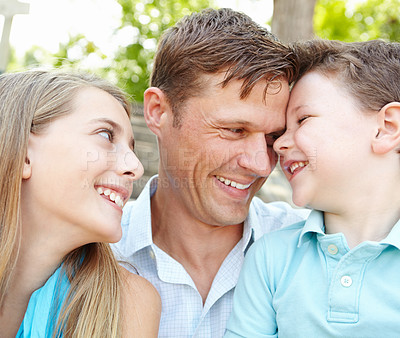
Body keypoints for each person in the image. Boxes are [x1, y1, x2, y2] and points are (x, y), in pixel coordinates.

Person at [112, 8, 309, 337]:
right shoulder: (94, 254)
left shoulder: (309, 250)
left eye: (273, 137)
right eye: (234, 130)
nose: (261, 164)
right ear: (158, 112)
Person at [225, 39, 400, 337]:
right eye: (281, 132)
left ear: (386, 128)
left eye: (303, 120)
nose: (279, 144)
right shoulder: (271, 258)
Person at [0, 70, 161, 337]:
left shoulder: (128, 305)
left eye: (131, 148)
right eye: (106, 135)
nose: (136, 167)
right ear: (24, 156)